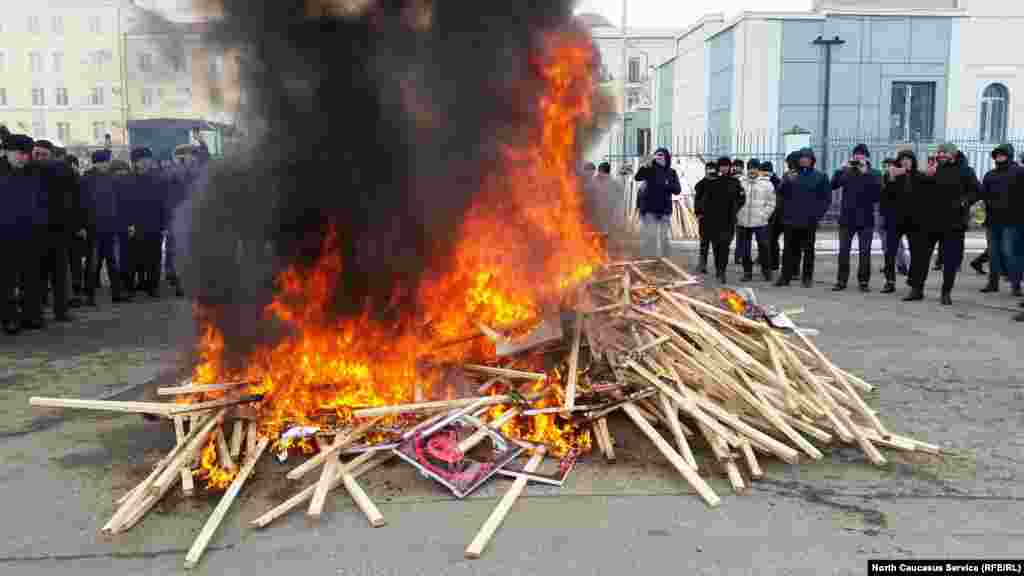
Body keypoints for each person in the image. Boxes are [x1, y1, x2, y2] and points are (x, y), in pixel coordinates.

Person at [904, 143, 979, 305]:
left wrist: (964, 202)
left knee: (950, 260)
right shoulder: (934, 169)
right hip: (929, 221)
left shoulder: (966, 170)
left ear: (953, 154)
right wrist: (924, 174)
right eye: (939, 153)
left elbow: (977, 191)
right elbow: (918, 189)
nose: (941, 155)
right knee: (921, 257)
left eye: (944, 153)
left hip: (953, 223)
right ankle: (917, 289)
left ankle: (946, 292)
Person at [2, 135, 46, 330]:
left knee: (32, 276)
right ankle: (9, 317)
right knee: (7, 279)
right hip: (4, 234)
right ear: (7, 152)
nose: (22, 158)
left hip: (31, 232)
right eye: (19, 154)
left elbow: (43, 201)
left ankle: (32, 315)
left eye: (26, 154)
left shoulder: (35, 172)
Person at [775, 148, 831, 288]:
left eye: (808, 157)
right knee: (788, 249)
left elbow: (826, 198)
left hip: (809, 220)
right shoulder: (790, 174)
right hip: (790, 219)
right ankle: (785, 277)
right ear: (798, 160)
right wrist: (787, 181)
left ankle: (807, 277)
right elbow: (780, 193)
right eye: (802, 157)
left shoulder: (820, 176)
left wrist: (817, 215)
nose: (805, 160)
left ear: (812, 160)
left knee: (808, 250)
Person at [831, 144, 882, 292]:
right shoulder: (847, 172)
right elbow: (833, 185)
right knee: (843, 251)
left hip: (866, 219)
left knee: (865, 252)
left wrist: (866, 173)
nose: (858, 157)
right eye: (856, 154)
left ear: (867, 157)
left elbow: (878, 193)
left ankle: (864, 281)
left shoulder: (874, 173)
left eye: (861, 155)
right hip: (847, 218)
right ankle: (841, 281)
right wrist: (840, 169)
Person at [81, 150, 127, 305]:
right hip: (94, 227)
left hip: (108, 226)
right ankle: (90, 295)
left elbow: (117, 202)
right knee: (94, 263)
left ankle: (115, 293)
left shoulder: (110, 178)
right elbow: (83, 204)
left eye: (107, 162)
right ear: (97, 163)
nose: (107, 165)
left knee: (110, 261)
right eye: (105, 162)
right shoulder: (87, 179)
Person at [979, 143, 1023, 296]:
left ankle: (1016, 285)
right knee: (993, 253)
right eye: (997, 155)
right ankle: (993, 282)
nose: (999, 157)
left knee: (1010, 253)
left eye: (1002, 154)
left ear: (1009, 155)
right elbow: (983, 194)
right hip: (992, 221)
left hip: (1012, 221)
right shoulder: (990, 175)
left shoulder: (1019, 172)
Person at [881, 150, 920, 294]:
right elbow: (885, 197)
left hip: (913, 221)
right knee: (890, 252)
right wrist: (891, 178)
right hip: (894, 220)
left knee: (916, 252)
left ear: (913, 161)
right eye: (903, 159)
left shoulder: (918, 176)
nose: (905, 162)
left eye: (908, 159)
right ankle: (889, 281)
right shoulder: (891, 175)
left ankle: (914, 281)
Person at [702, 157, 745, 283]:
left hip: (729, 220)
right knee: (716, 246)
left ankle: (722, 271)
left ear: (729, 167)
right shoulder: (712, 181)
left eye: (726, 166)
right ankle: (718, 269)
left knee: (725, 246)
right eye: (722, 166)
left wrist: (735, 208)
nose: (724, 168)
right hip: (714, 220)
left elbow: (742, 198)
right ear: (718, 167)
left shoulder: (735, 182)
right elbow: (704, 198)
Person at [634, 147, 682, 259]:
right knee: (650, 236)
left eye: (661, 155)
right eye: (657, 155)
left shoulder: (671, 172)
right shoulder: (649, 170)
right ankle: (649, 260)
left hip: (665, 210)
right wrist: (645, 166)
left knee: (664, 237)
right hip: (650, 209)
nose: (659, 157)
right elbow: (637, 177)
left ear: (666, 157)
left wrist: (666, 185)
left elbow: (677, 190)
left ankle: (665, 261)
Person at [735, 159, 775, 281]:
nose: (752, 170)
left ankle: (766, 270)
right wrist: (736, 215)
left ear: (759, 170)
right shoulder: (740, 182)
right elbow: (734, 200)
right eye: (750, 167)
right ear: (747, 169)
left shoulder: (767, 184)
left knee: (764, 246)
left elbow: (771, 203)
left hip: (760, 221)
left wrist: (764, 215)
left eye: (755, 168)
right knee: (745, 248)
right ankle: (747, 272)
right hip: (743, 221)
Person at [693, 161, 718, 274]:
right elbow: (697, 200)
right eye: (708, 169)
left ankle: (719, 266)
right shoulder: (701, 184)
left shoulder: (721, 183)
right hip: (704, 217)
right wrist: (698, 213)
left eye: (712, 169)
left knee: (717, 243)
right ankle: (702, 265)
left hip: (718, 218)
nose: (710, 171)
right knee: (704, 242)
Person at [732, 158, 746, 264]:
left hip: (742, 209)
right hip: (732, 209)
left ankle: (739, 256)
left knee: (741, 235)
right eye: (735, 166)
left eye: (739, 166)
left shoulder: (745, 179)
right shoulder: (731, 178)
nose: (736, 168)